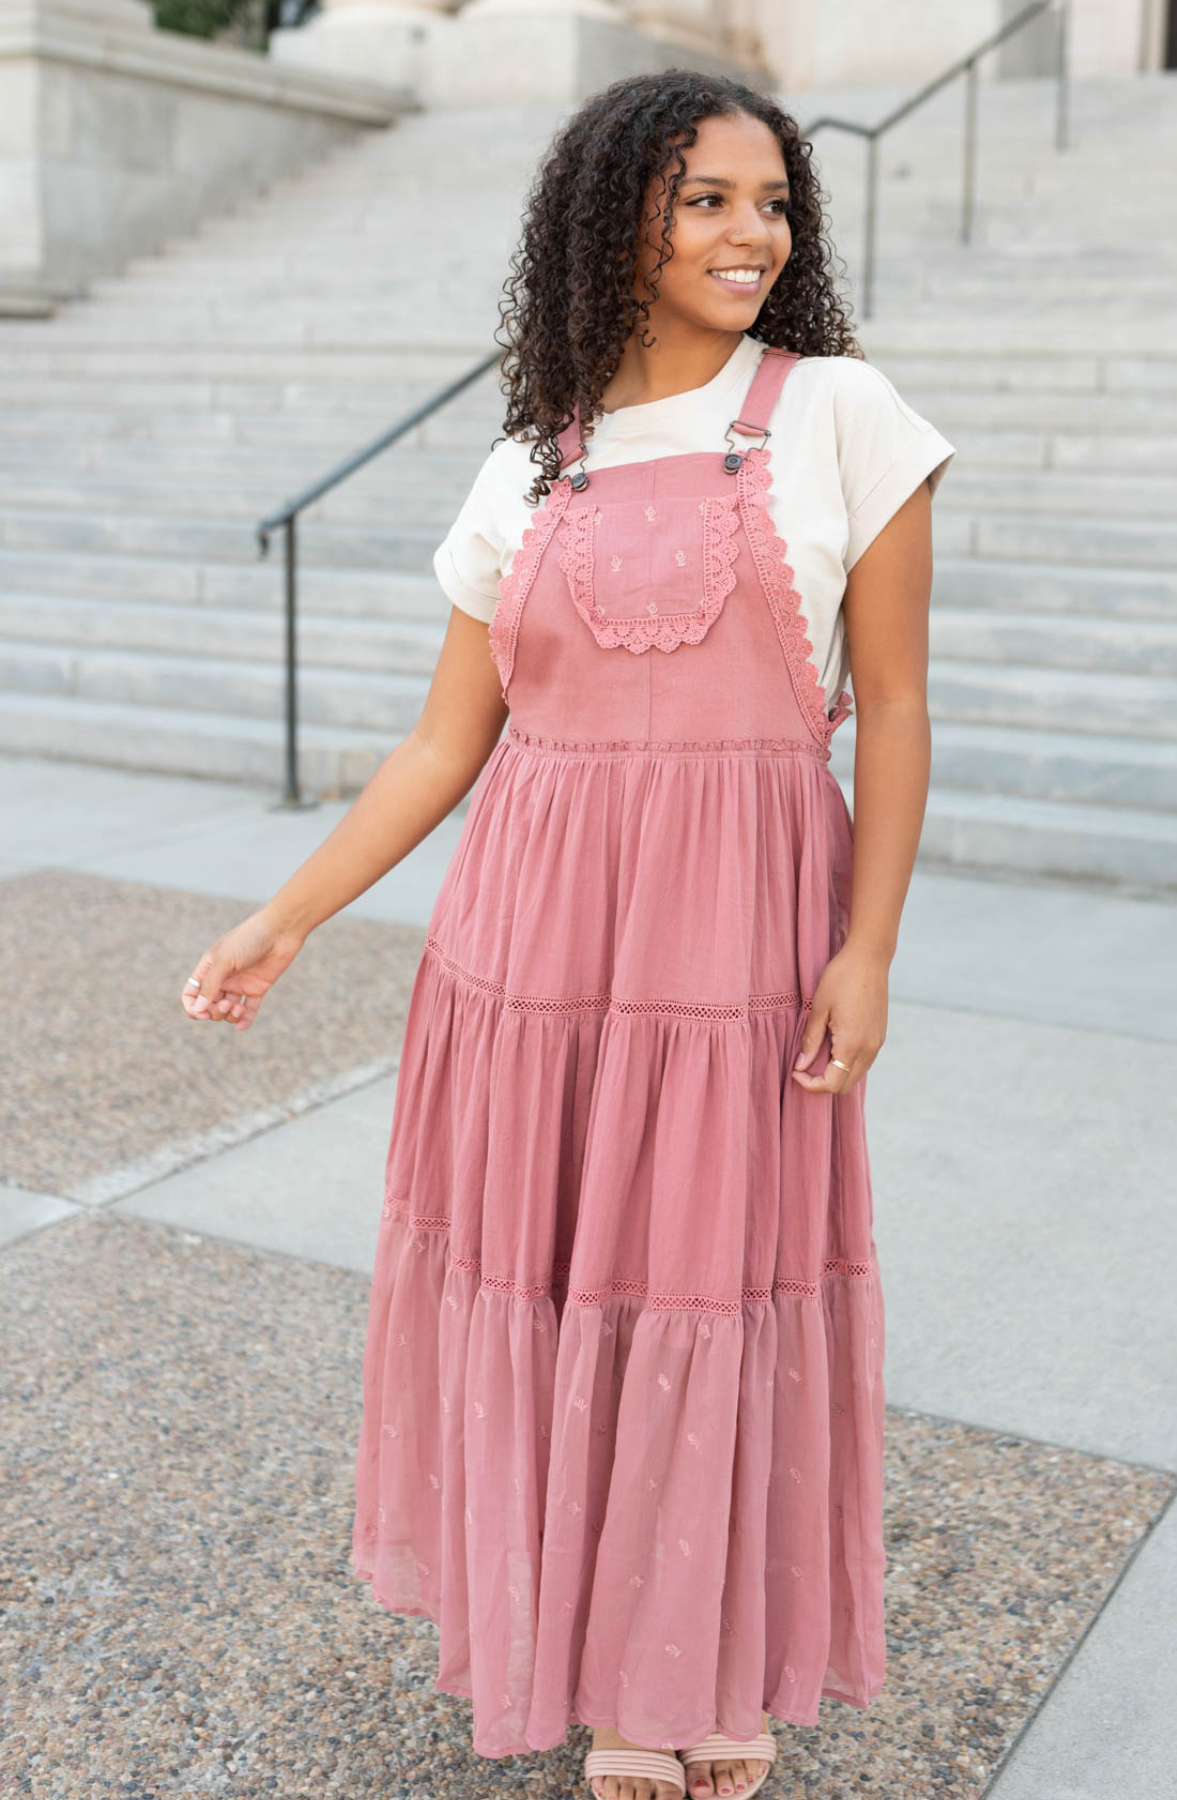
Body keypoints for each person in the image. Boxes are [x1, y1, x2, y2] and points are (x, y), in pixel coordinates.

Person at [180, 67, 954, 1800]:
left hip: (740, 941)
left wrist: (870, 945)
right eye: (704, 200)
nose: (749, 233)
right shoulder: (531, 459)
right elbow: (450, 741)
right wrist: (282, 919)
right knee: (551, 1287)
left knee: (711, 1284)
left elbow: (894, 709)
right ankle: (613, 1671)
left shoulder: (837, 411)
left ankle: (707, 1659)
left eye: (769, 202)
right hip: (527, 952)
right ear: (616, 218)